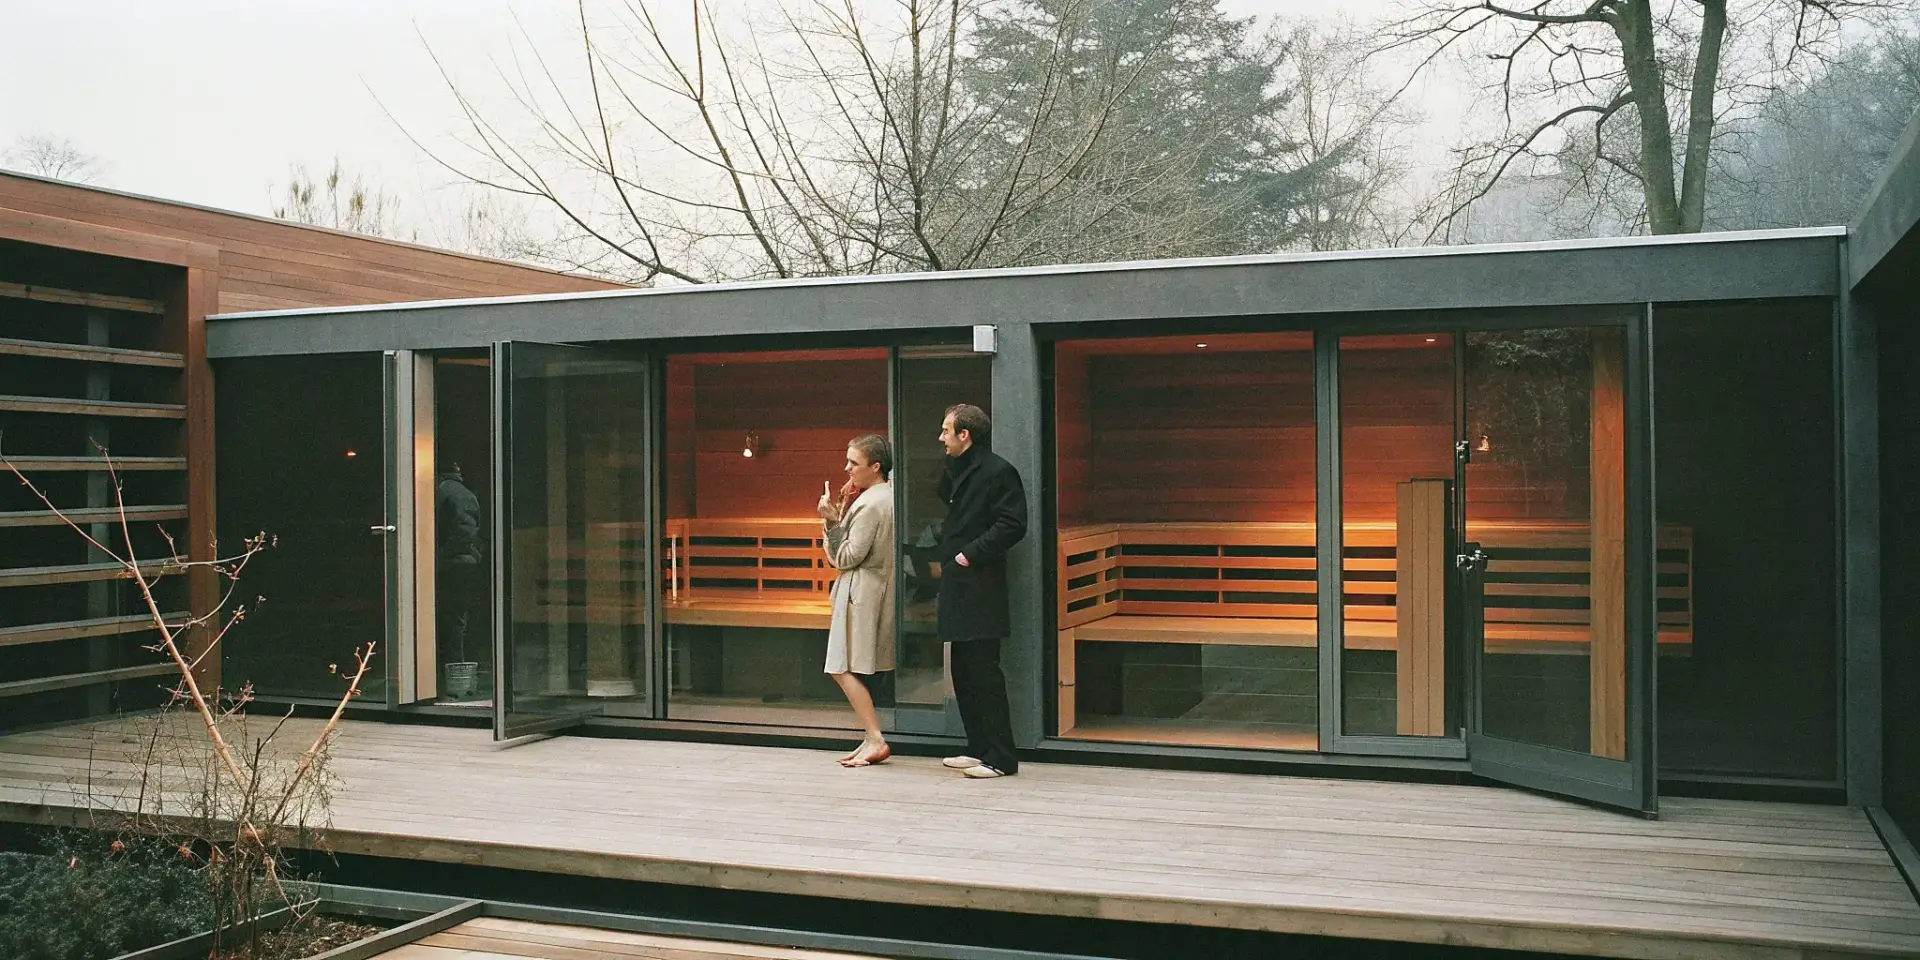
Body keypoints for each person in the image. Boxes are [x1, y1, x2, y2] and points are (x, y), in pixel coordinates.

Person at [934, 404, 1027, 779]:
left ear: (964, 434)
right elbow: (946, 499)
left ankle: (1002, 757)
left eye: (946, 431)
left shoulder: (998, 471)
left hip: (980, 582)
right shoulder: (963, 469)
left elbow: (1013, 524)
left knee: (984, 671)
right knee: (963, 669)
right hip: (960, 580)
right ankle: (978, 747)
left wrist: (968, 556)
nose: (940, 438)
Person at [818, 434, 897, 768]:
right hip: (871, 591)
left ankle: (876, 737)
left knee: (841, 665)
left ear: (875, 467)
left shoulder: (871, 504)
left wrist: (831, 520)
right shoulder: (886, 497)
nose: (847, 468)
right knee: (855, 665)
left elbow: (846, 557)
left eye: (854, 463)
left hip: (860, 594)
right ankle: (869, 738)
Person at [435, 462, 484, 697]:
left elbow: (445, 530)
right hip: (469, 561)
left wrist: (438, 556)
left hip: (452, 562)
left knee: (449, 619)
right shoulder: (467, 494)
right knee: (460, 618)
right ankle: (463, 679)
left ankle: (452, 681)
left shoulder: (442, 491)